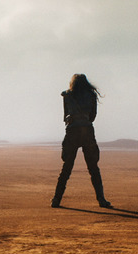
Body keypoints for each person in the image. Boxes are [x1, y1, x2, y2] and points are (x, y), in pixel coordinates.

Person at [51, 74, 112, 209]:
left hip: (72, 132)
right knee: (93, 168)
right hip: (87, 132)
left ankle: (56, 199)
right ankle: (101, 200)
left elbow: (65, 115)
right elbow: (93, 117)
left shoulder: (67, 95)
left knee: (66, 169)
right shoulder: (91, 95)